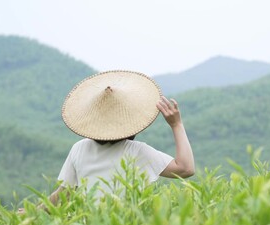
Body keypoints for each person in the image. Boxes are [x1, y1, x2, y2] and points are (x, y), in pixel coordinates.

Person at [18, 70, 194, 213]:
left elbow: (63, 195)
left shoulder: (79, 148)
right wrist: (176, 124)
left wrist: (33, 212)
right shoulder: (136, 151)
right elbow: (185, 168)